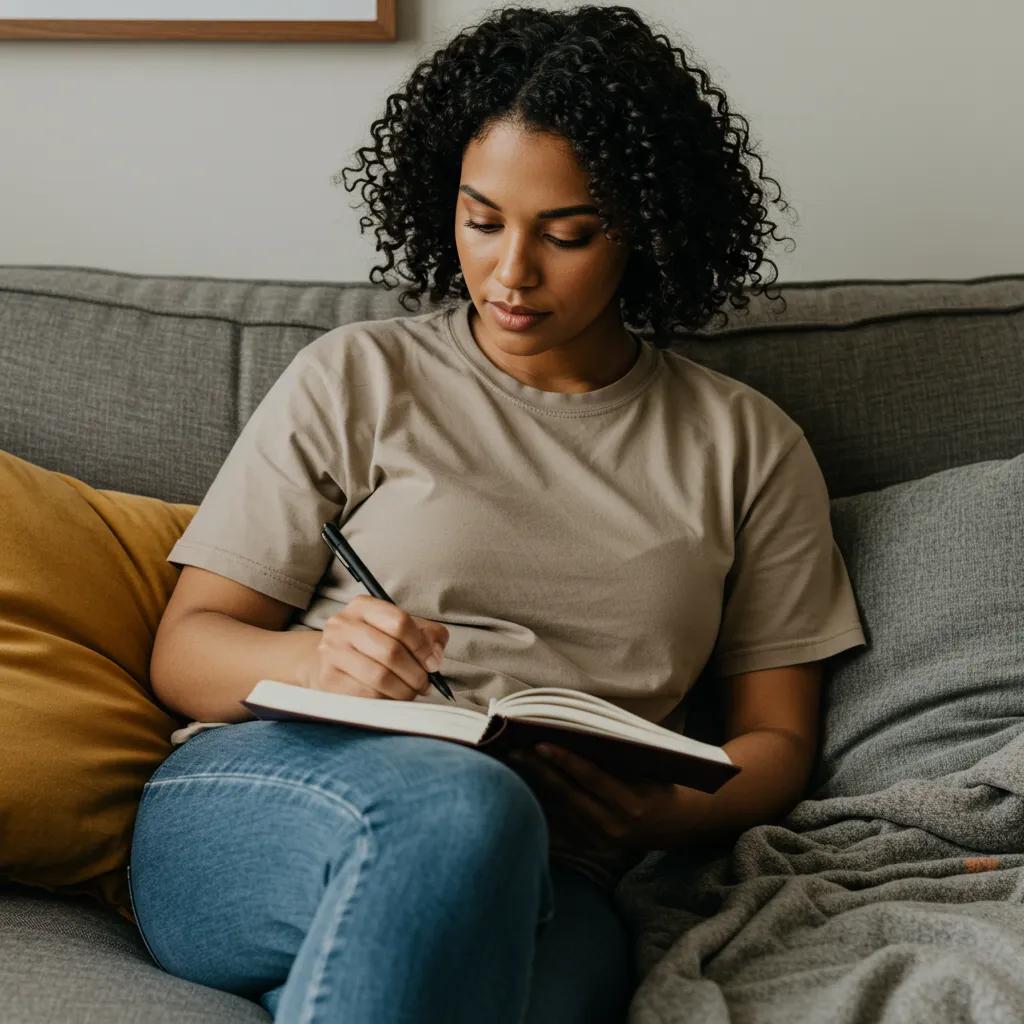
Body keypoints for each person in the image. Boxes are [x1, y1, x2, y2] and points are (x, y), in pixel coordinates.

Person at [128, 5, 867, 1022]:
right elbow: (186, 650)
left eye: (567, 235)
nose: (511, 273)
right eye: (482, 221)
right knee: (464, 806)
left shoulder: (749, 446)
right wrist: (322, 663)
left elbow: (775, 738)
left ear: (648, 229)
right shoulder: (358, 376)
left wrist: (667, 812)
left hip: (563, 869)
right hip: (279, 796)